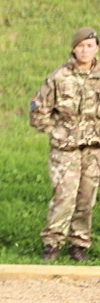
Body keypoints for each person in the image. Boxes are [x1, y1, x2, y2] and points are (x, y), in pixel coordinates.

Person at [30, 28, 100, 261]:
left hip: (94, 149)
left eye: (89, 46)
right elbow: (38, 111)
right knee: (64, 196)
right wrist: (56, 131)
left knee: (86, 198)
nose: (85, 50)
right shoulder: (59, 77)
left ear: (96, 48)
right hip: (65, 149)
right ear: (73, 48)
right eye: (81, 46)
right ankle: (52, 243)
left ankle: (78, 244)